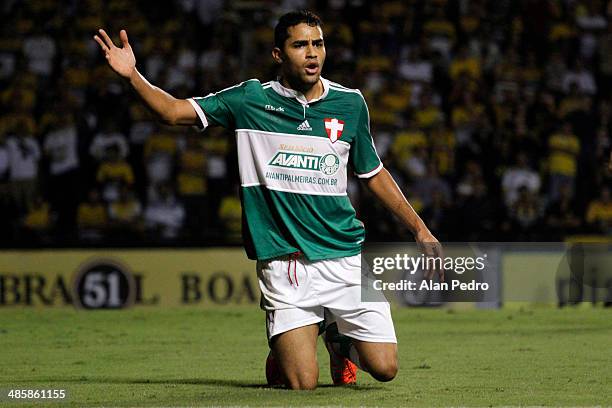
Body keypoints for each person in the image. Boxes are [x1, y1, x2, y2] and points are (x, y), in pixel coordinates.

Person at [94, 10, 443, 390]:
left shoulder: (350, 104)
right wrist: (132, 75)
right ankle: (291, 348)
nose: (312, 53)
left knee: (386, 368)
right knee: (301, 383)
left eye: (318, 43)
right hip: (285, 264)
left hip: (343, 258)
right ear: (278, 54)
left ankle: (337, 338)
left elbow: (372, 174)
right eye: (300, 45)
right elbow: (172, 111)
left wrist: (420, 229)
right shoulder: (250, 100)